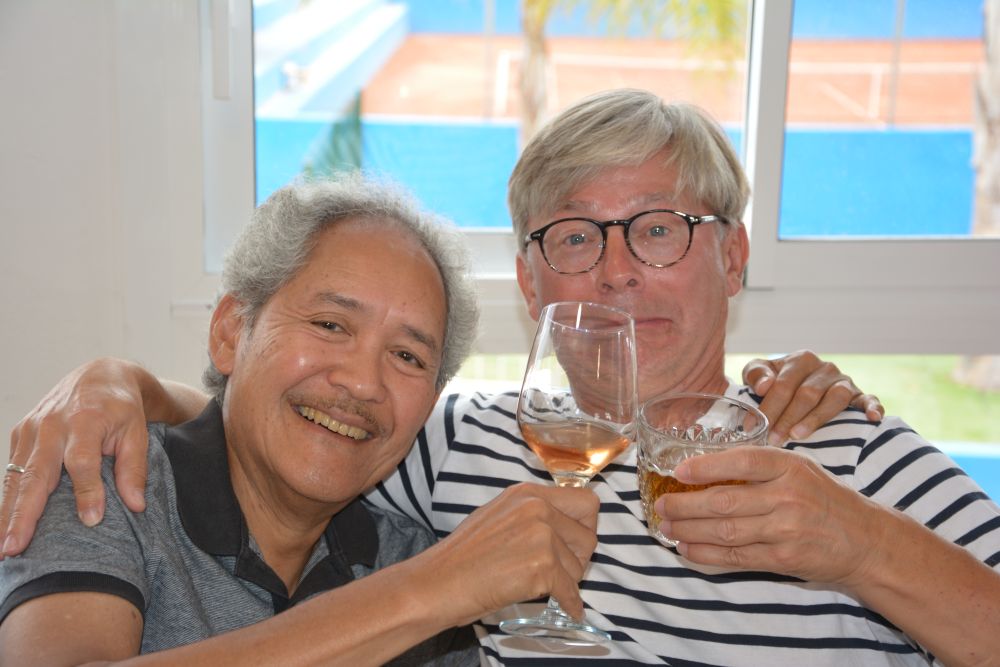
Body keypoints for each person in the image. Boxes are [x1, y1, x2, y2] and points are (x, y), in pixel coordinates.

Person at [10, 90, 986, 665]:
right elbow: (292, 421)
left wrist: (863, 546)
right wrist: (115, 383)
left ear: (731, 257)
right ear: (530, 281)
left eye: (658, 229)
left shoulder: (846, 450)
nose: (617, 271)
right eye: (576, 237)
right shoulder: (458, 439)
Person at [0, 175, 605, 665]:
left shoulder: (405, 550)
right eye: (330, 324)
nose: (363, 383)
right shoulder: (109, 481)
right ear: (231, 332)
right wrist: (426, 591)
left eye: (407, 357)